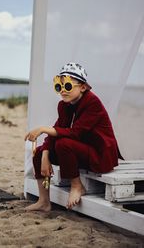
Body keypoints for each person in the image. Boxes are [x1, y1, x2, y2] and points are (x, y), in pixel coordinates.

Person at [25, 62, 123, 211]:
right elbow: (59, 129)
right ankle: (44, 201)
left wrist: (44, 129)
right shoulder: (65, 105)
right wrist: (45, 154)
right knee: (39, 151)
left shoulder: (92, 103)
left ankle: (77, 186)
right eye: (59, 86)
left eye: (68, 86)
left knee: (63, 144)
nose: (63, 91)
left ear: (83, 87)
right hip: (81, 152)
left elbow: (76, 133)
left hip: (99, 154)